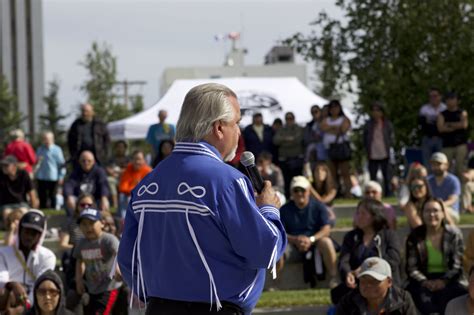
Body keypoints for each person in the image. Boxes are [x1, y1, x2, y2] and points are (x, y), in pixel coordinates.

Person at [118, 83, 286, 315]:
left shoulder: (147, 183)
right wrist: (268, 209)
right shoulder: (227, 181)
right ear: (219, 127)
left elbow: (128, 260)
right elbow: (264, 251)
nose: (239, 131)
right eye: (236, 122)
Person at [332, 199, 401, 304]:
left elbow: (393, 259)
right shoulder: (351, 237)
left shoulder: (388, 236)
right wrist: (348, 274)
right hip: (358, 284)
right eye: (357, 213)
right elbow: (343, 260)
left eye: (363, 213)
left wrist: (367, 269)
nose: (358, 216)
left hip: (382, 283)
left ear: (374, 216)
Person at [405, 197, 467, 314]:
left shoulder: (454, 234)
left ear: (443, 214)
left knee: (451, 297)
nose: (432, 214)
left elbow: (457, 266)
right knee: (421, 300)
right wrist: (425, 282)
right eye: (427, 211)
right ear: (422, 214)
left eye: (435, 210)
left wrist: (443, 281)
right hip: (422, 279)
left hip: (449, 279)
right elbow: (411, 268)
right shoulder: (414, 236)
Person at [280, 176, 338, 288]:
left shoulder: (319, 206)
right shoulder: (284, 210)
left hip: (315, 243)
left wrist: (311, 239)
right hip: (292, 244)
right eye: (296, 190)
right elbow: (279, 232)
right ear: (291, 192)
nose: (300, 193)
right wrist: (295, 240)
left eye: (303, 190)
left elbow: (326, 229)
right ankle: (276, 284)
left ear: (309, 191)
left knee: (326, 242)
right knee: (277, 248)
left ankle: (334, 278)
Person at [0, 210, 56, 312]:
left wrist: (24, 308)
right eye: (26, 231)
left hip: (33, 302)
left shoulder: (48, 256)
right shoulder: (3, 253)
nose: (29, 237)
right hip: (8, 296)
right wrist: (13, 284)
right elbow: (1, 280)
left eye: (34, 233)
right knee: (4, 292)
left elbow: (40, 284)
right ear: (20, 230)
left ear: (40, 236)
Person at [74, 208, 121, 314]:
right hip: (92, 287)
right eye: (84, 224)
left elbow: (118, 254)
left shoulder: (108, 239)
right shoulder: (81, 243)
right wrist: (79, 280)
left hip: (109, 286)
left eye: (91, 223)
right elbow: (79, 261)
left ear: (102, 224)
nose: (88, 227)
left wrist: (117, 269)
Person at [336, 257, 417, 315]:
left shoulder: (403, 300)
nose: (368, 285)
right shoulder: (348, 302)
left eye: (374, 281)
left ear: (389, 282)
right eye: (363, 280)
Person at [63, 150, 110, 216]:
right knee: (68, 200)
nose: (86, 163)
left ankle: (100, 222)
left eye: (89, 161)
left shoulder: (100, 171)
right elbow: (69, 185)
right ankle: (73, 222)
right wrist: (69, 196)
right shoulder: (75, 172)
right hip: (80, 201)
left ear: (93, 161)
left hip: (95, 200)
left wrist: (104, 197)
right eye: (83, 161)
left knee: (105, 202)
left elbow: (103, 185)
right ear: (79, 161)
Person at [321, 100, 352, 198]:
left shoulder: (344, 119)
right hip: (330, 149)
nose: (334, 110)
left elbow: (343, 129)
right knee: (332, 174)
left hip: (341, 148)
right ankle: (335, 194)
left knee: (345, 173)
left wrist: (331, 128)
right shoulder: (326, 119)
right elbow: (323, 127)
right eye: (332, 108)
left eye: (336, 107)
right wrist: (335, 127)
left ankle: (348, 193)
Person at [363, 101, 395, 196]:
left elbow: (391, 137)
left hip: (385, 153)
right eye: (373, 110)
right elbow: (365, 139)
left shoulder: (387, 124)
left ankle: (388, 193)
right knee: (373, 176)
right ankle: (372, 193)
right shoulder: (368, 125)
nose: (375, 113)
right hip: (372, 153)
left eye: (378, 110)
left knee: (387, 176)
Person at [437, 92, 469, 178]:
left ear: (457, 100)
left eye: (452, 98)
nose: (450, 101)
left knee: (460, 168)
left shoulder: (462, 112)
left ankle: (463, 189)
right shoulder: (442, 114)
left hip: (460, 144)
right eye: (448, 99)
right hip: (447, 145)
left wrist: (449, 125)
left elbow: (464, 125)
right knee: (445, 167)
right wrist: (457, 125)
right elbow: (440, 128)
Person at [273, 112, 304, 197]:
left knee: (297, 179)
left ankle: (297, 195)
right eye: (287, 119)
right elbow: (275, 140)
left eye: (291, 118)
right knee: (286, 180)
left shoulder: (298, 128)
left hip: (296, 158)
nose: (289, 120)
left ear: (294, 119)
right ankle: (288, 196)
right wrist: (289, 139)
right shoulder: (281, 129)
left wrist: (283, 140)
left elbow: (298, 140)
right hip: (284, 159)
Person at [0, 155, 39, 224]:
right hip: (6, 205)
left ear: (14, 166)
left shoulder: (23, 174)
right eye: (3, 165)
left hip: (21, 203)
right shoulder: (1, 175)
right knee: (6, 214)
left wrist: (33, 210)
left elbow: (31, 192)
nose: (4, 167)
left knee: (24, 213)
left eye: (6, 165)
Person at [35, 131, 66, 209]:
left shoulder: (57, 149)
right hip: (41, 176)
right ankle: (42, 210)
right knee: (42, 195)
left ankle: (53, 210)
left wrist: (61, 176)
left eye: (48, 139)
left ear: (52, 139)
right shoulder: (40, 149)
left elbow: (62, 164)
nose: (46, 141)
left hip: (53, 176)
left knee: (52, 195)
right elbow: (36, 163)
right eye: (45, 139)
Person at [427, 152, 461, 223]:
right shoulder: (428, 180)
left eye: (439, 164)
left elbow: (452, 200)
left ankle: (453, 231)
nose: (436, 167)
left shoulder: (453, 180)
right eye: (433, 164)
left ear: (446, 165)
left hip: (450, 211)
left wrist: (438, 206)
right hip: (432, 210)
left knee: (438, 212)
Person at [118, 150, 152, 218]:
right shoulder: (129, 168)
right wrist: (133, 189)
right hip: (130, 194)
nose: (137, 162)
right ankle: (124, 220)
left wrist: (133, 189)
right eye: (135, 159)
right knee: (123, 196)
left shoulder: (148, 171)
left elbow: (149, 190)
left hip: (144, 197)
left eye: (139, 159)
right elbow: (122, 187)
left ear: (144, 160)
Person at [418, 87, 446, 169]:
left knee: (441, 161)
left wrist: (431, 122)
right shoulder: (424, 109)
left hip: (441, 139)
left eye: (435, 96)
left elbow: (445, 124)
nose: (433, 98)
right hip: (427, 138)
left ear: (440, 96)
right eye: (431, 96)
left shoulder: (444, 108)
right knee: (427, 162)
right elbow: (422, 124)